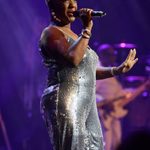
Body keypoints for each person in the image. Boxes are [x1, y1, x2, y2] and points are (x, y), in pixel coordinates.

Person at [38, 0, 138, 149]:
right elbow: (74, 60)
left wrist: (116, 70)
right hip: (67, 100)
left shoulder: (77, 36)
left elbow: (87, 71)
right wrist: (87, 29)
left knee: (95, 145)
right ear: (54, 5)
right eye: (66, 1)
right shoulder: (51, 32)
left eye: (74, 0)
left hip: (87, 103)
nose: (73, 5)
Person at [96, 44, 145, 150]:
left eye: (114, 54)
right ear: (102, 55)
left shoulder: (111, 71)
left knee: (116, 143)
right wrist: (104, 102)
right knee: (106, 145)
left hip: (114, 114)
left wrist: (140, 88)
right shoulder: (98, 70)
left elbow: (119, 93)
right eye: (111, 55)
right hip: (103, 113)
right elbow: (90, 92)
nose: (114, 57)